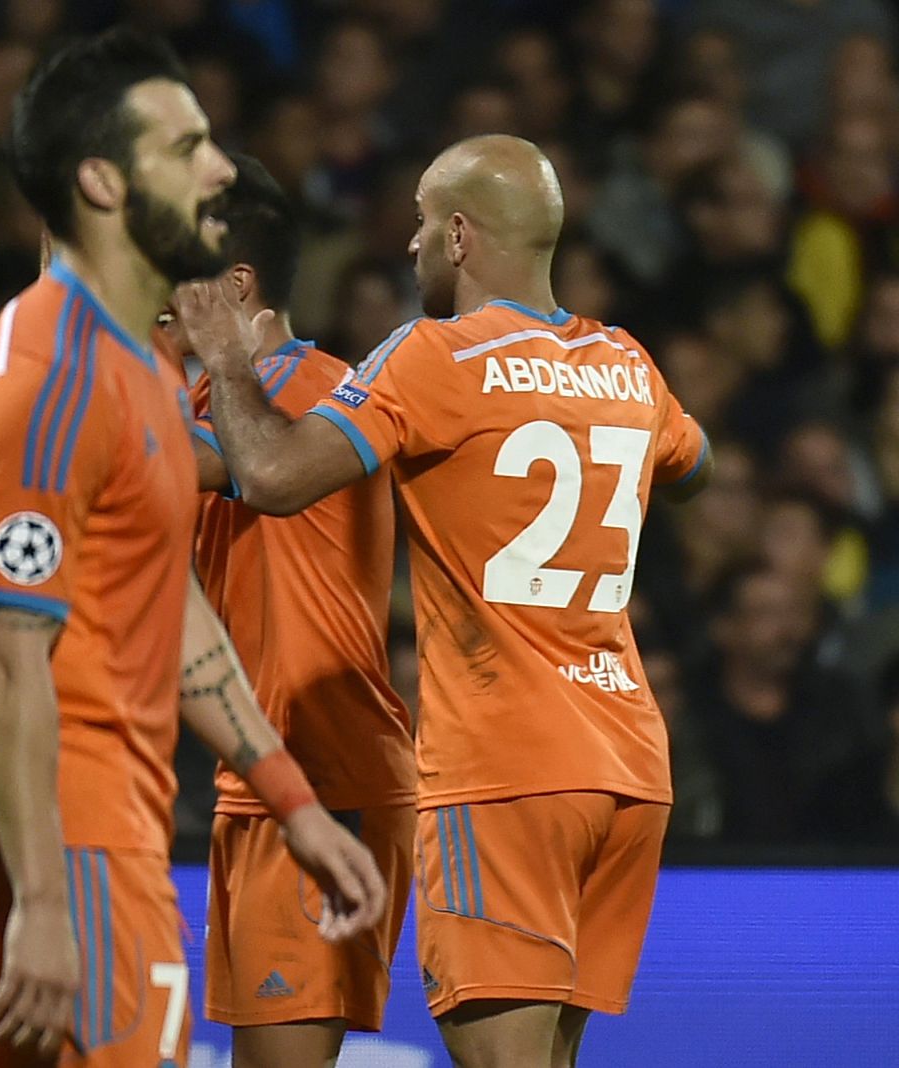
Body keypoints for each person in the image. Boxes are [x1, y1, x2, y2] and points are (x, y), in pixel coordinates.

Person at [181, 134, 712, 1068]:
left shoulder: (437, 356)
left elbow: (269, 476)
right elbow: (694, 466)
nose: (412, 245)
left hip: (507, 766)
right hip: (628, 765)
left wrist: (227, 358)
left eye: (424, 225)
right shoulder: (625, 359)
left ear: (460, 236)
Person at [0, 29, 387, 1067]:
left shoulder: (141, 373)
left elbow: (167, 605)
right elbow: (5, 657)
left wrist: (293, 803)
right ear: (102, 182)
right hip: (52, 829)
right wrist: (42, 902)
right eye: (185, 147)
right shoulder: (50, 380)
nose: (218, 169)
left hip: (110, 821)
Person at [168, 153, 416, 1067]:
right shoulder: (213, 398)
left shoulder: (311, 391)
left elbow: (132, 453)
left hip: (327, 773)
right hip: (264, 777)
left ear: (234, 287)